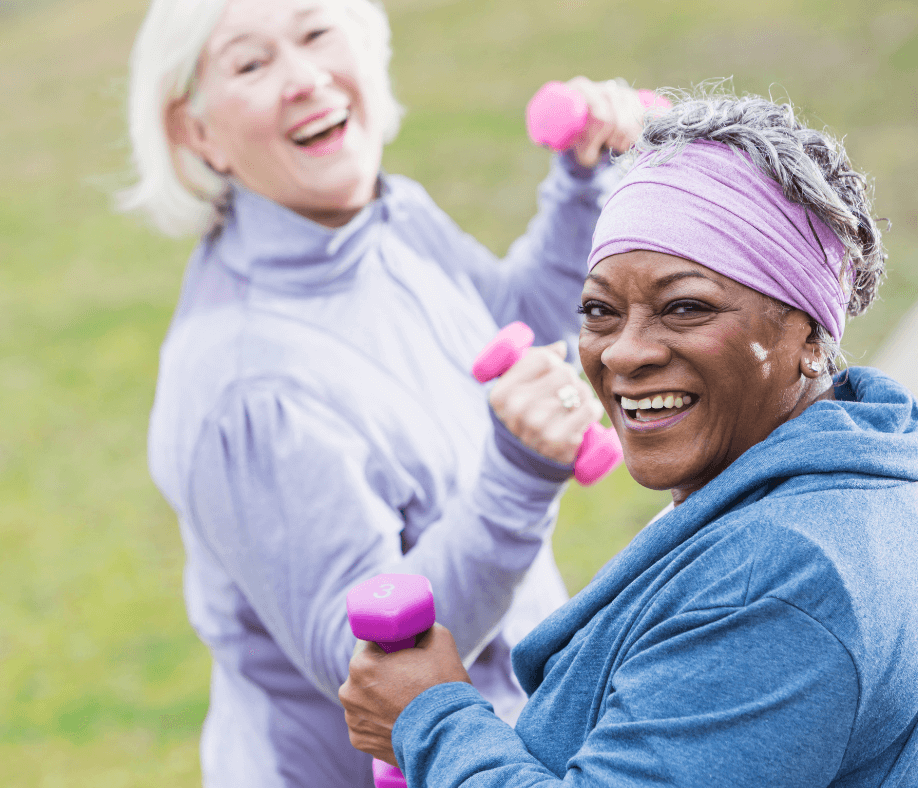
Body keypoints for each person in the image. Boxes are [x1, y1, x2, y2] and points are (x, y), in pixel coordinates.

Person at [120, 0, 654, 784]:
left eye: (316, 32)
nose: (305, 78)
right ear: (196, 132)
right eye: (252, 63)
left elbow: (522, 330)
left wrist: (582, 182)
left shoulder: (387, 217)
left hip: (505, 746)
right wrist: (518, 476)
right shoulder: (247, 388)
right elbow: (373, 661)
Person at [340, 87, 918, 787]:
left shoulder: (780, 578)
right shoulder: (854, 482)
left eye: (685, 307)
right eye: (599, 310)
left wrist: (430, 722)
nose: (624, 351)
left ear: (809, 337)